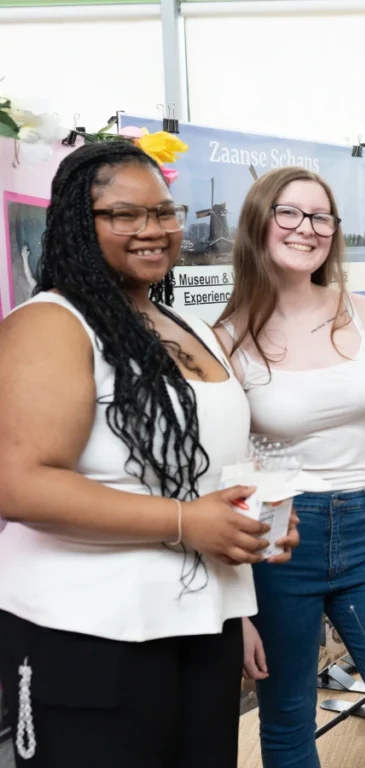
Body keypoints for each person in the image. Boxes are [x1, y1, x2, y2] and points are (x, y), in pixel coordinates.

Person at [0, 140, 298, 768]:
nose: (153, 230)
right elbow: (19, 484)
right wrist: (189, 524)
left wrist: (254, 522)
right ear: (80, 223)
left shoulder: (178, 325)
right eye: (124, 214)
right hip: (90, 636)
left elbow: (205, 464)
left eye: (164, 212)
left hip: (199, 627)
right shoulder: (52, 324)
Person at [214, 168, 365, 768]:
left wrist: (338, 464)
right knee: (289, 721)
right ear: (258, 225)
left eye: (321, 216)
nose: (308, 228)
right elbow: (226, 469)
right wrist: (238, 607)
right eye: (289, 214)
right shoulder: (226, 336)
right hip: (276, 540)